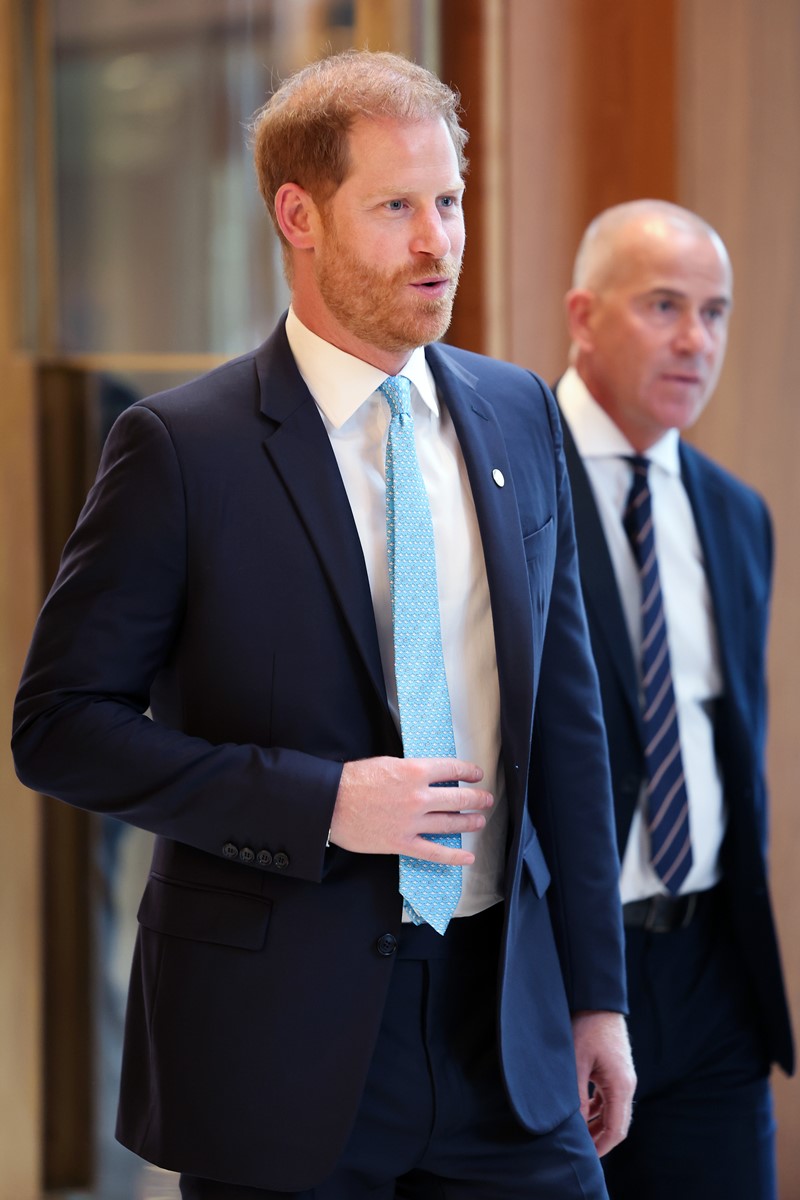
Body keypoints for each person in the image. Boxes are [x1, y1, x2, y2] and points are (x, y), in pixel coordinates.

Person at [13, 50, 635, 1199]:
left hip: (509, 1035)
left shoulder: (516, 413)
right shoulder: (179, 450)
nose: (437, 242)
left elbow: (571, 730)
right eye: (396, 207)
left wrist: (596, 997)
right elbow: (59, 726)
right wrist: (323, 803)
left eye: (447, 201)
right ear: (298, 216)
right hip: (277, 1050)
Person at [556, 198, 795, 1200]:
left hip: (709, 974)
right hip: (559, 976)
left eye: (714, 311)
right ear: (582, 317)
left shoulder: (736, 515)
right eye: (662, 306)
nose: (695, 340)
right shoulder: (500, 486)